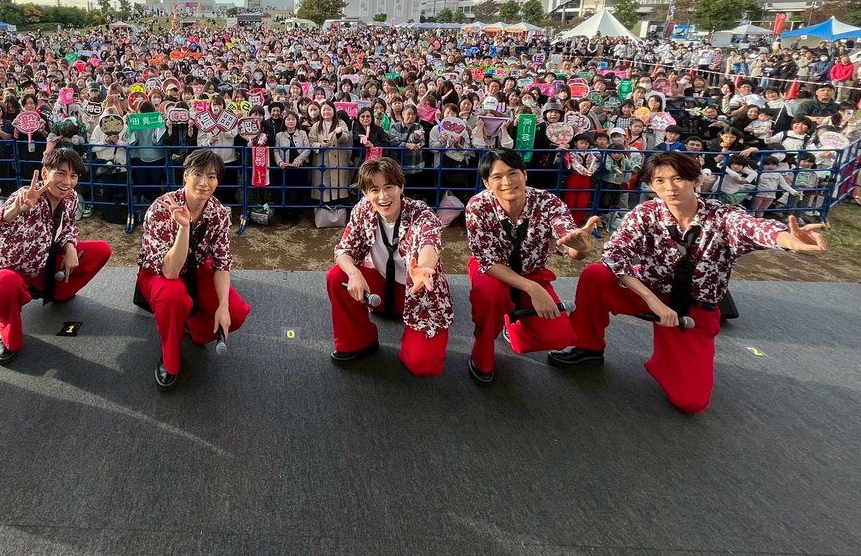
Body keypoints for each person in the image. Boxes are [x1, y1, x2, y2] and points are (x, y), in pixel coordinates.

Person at [548, 151, 826, 413]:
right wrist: (653, 302)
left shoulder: (723, 216)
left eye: (678, 178)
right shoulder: (645, 214)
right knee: (597, 274)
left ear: (696, 180)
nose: (670, 187)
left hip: (693, 310)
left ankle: (670, 359)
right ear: (651, 186)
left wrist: (788, 239)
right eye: (660, 181)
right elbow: (614, 254)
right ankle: (588, 346)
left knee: (690, 402)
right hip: (649, 294)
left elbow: (754, 228)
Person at [463, 148, 597, 385]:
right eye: (497, 176)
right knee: (490, 295)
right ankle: (482, 349)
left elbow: (569, 240)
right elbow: (487, 260)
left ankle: (512, 327)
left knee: (559, 336)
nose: (506, 182)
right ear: (486, 182)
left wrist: (582, 248)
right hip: (493, 270)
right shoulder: (477, 206)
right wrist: (533, 290)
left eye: (513, 173)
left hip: (532, 272)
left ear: (524, 175)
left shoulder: (548, 202)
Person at [0, 146, 113, 366]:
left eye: (73, 175)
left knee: (101, 250)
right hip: (9, 267)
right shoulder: (26, 196)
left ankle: (58, 292)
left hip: (43, 263)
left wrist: (70, 246)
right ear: (45, 173)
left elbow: (68, 227)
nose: (67, 181)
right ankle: (6, 332)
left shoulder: (72, 197)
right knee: (5, 284)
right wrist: (15, 211)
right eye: (61, 173)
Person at [135, 148, 251, 391]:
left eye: (212, 176)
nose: (204, 182)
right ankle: (170, 354)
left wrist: (223, 305)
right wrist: (184, 228)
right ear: (185, 175)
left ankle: (190, 328)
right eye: (197, 174)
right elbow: (170, 271)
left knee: (235, 313)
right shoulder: (161, 208)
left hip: (198, 271)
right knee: (173, 296)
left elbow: (221, 261)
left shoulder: (218, 212)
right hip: (159, 273)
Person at [325, 156, 454, 376]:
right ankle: (358, 341)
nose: (383, 196)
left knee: (422, 365)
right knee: (338, 276)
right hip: (381, 284)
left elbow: (429, 241)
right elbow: (344, 250)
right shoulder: (362, 210)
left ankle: (412, 336)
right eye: (374, 189)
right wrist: (354, 272)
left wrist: (422, 267)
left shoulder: (421, 213)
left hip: (418, 288)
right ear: (366, 193)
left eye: (389, 187)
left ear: (401, 187)